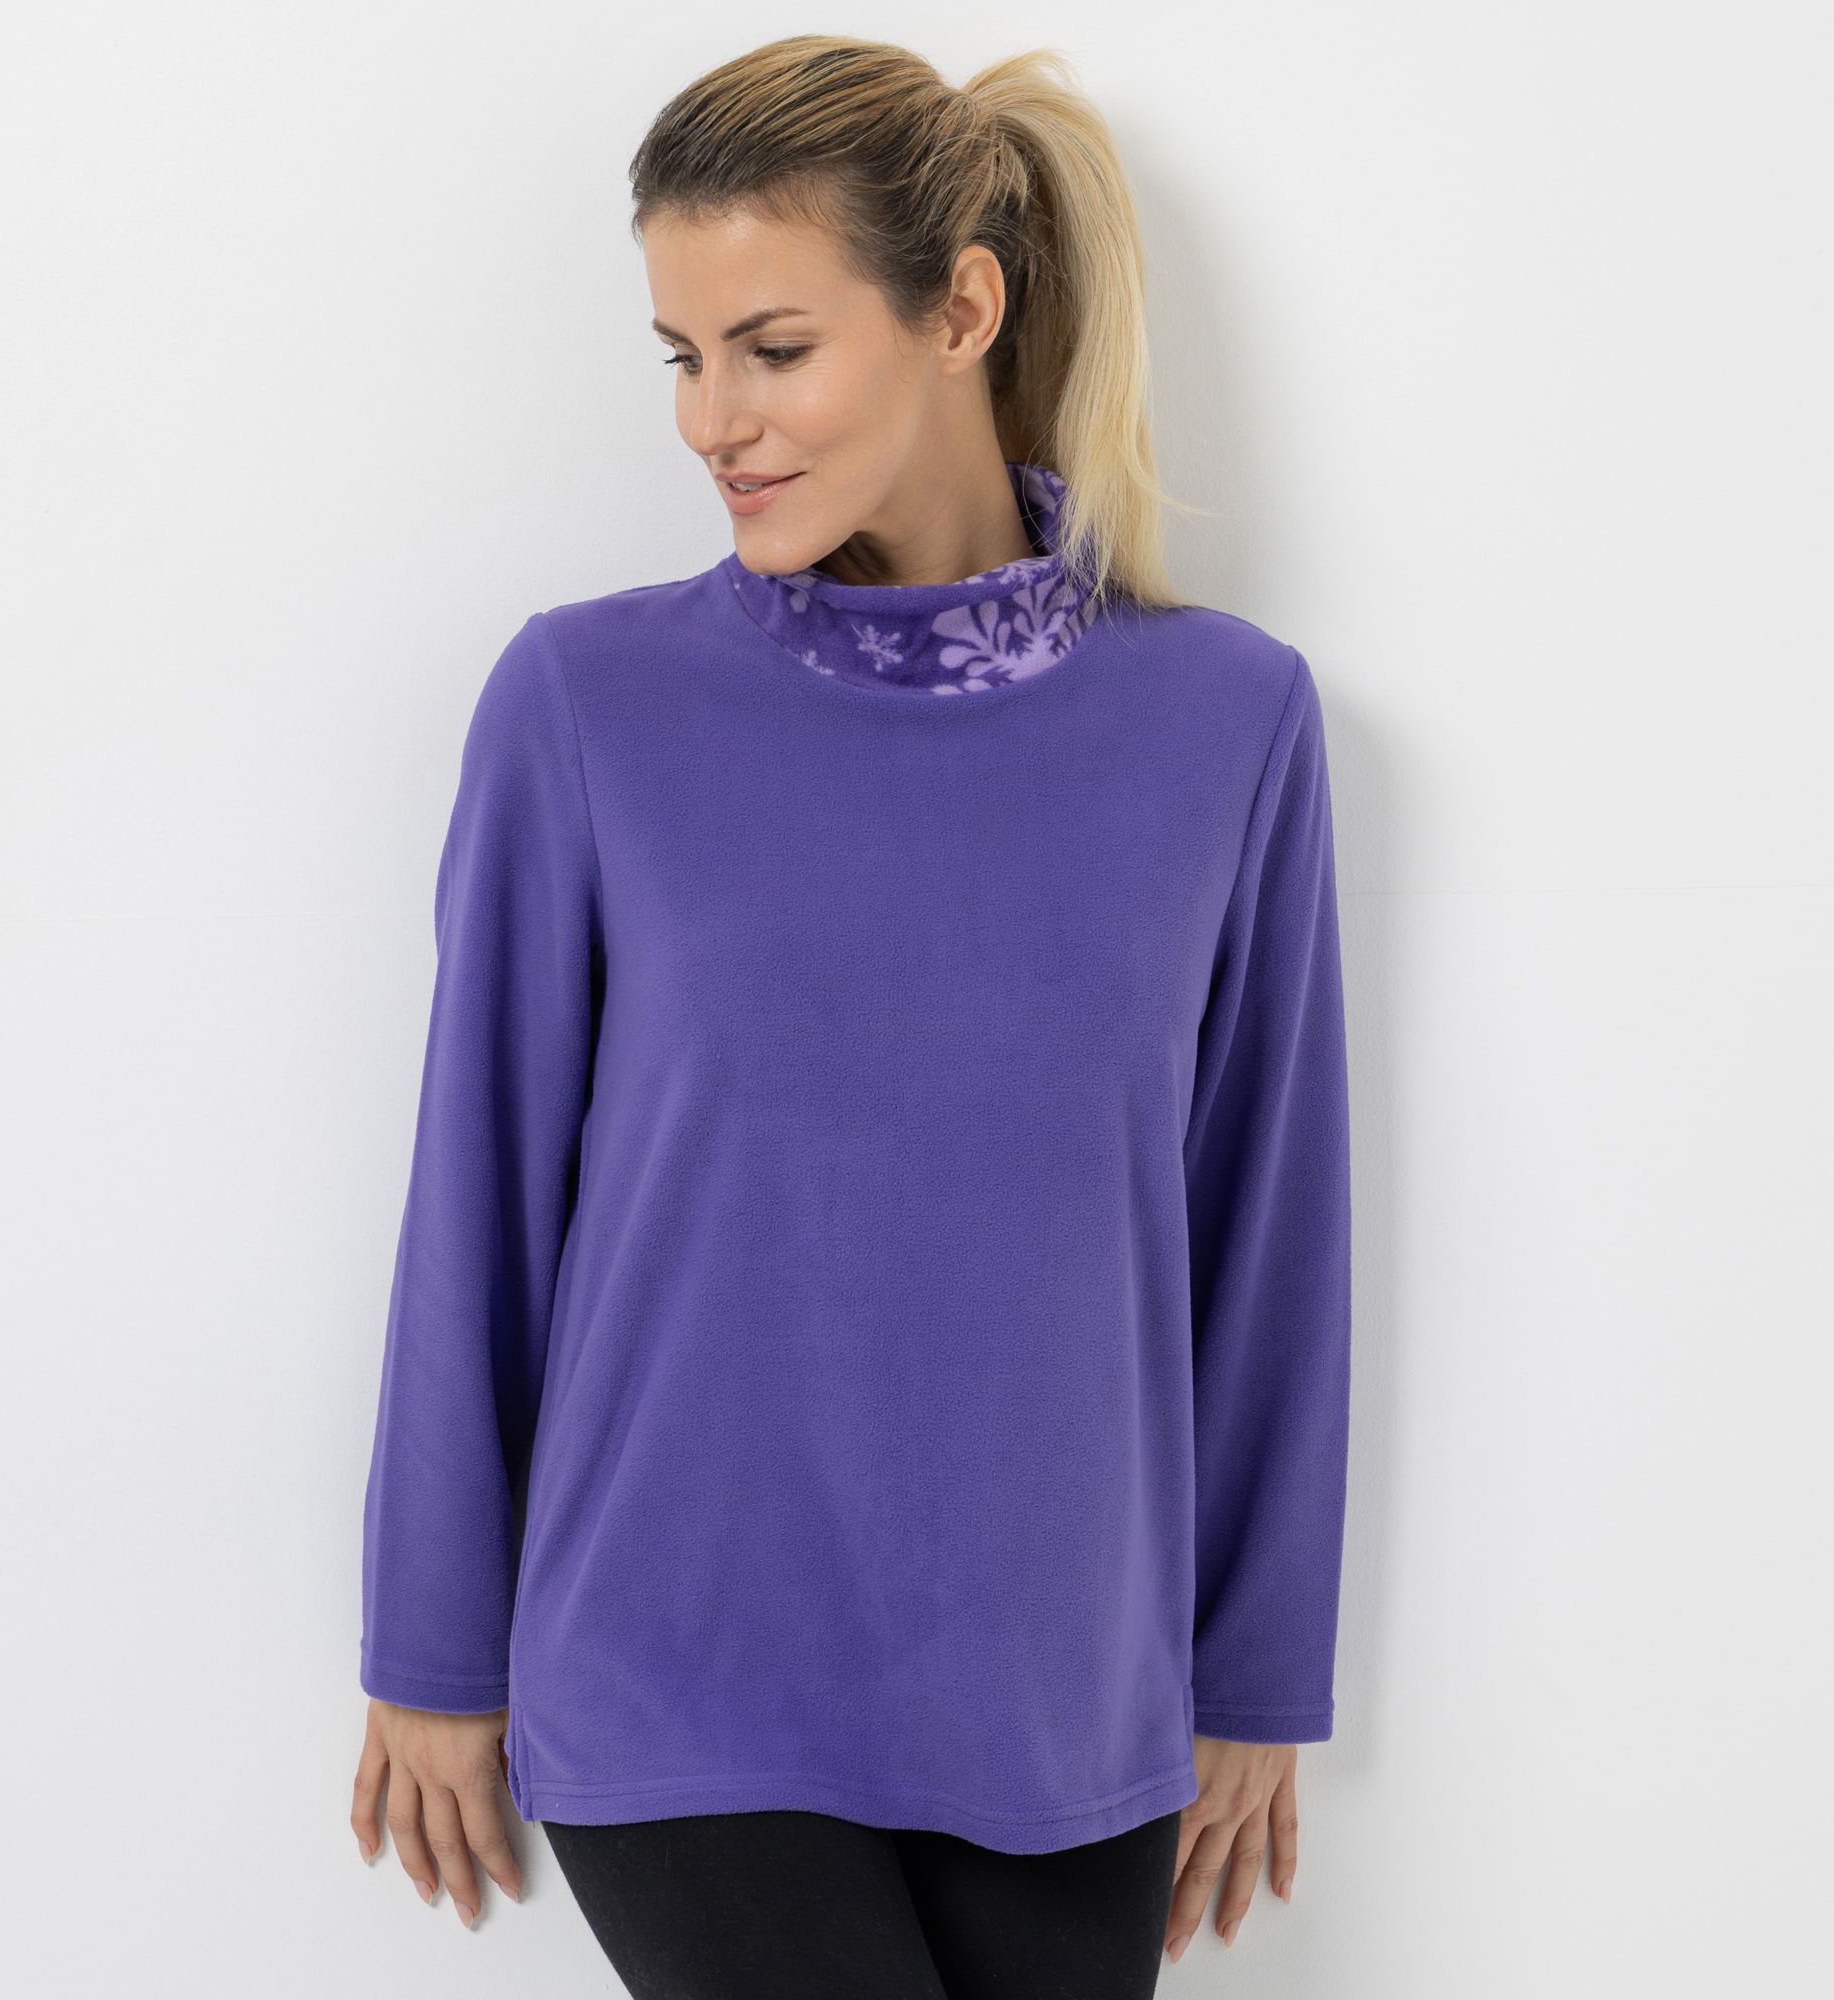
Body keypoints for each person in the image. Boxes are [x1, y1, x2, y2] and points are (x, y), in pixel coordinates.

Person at [348, 34, 1353, 1998]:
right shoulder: (585, 707)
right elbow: (475, 1204)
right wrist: (431, 1649)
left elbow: (1267, 1232)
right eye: (681, 354)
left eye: (772, 349)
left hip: (1067, 1701)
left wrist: (1253, 1672)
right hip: (683, 1677)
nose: (710, 419)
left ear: (961, 310)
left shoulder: (1228, 724)